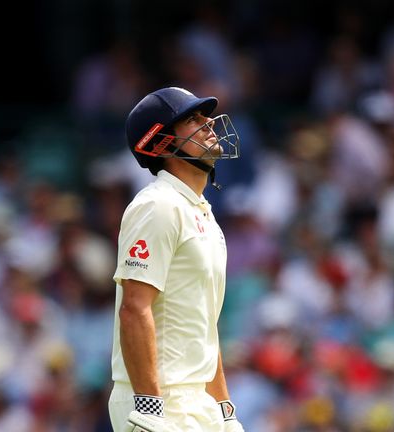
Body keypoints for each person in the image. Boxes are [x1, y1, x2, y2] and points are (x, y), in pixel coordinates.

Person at [107, 87, 244, 432]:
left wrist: (225, 411)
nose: (208, 124)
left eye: (204, 116)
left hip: (197, 401)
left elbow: (204, 328)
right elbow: (134, 309)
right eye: (192, 120)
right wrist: (150, 407)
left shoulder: (203, 214)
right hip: (158, 400)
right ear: (162, 143)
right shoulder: (157, 206)